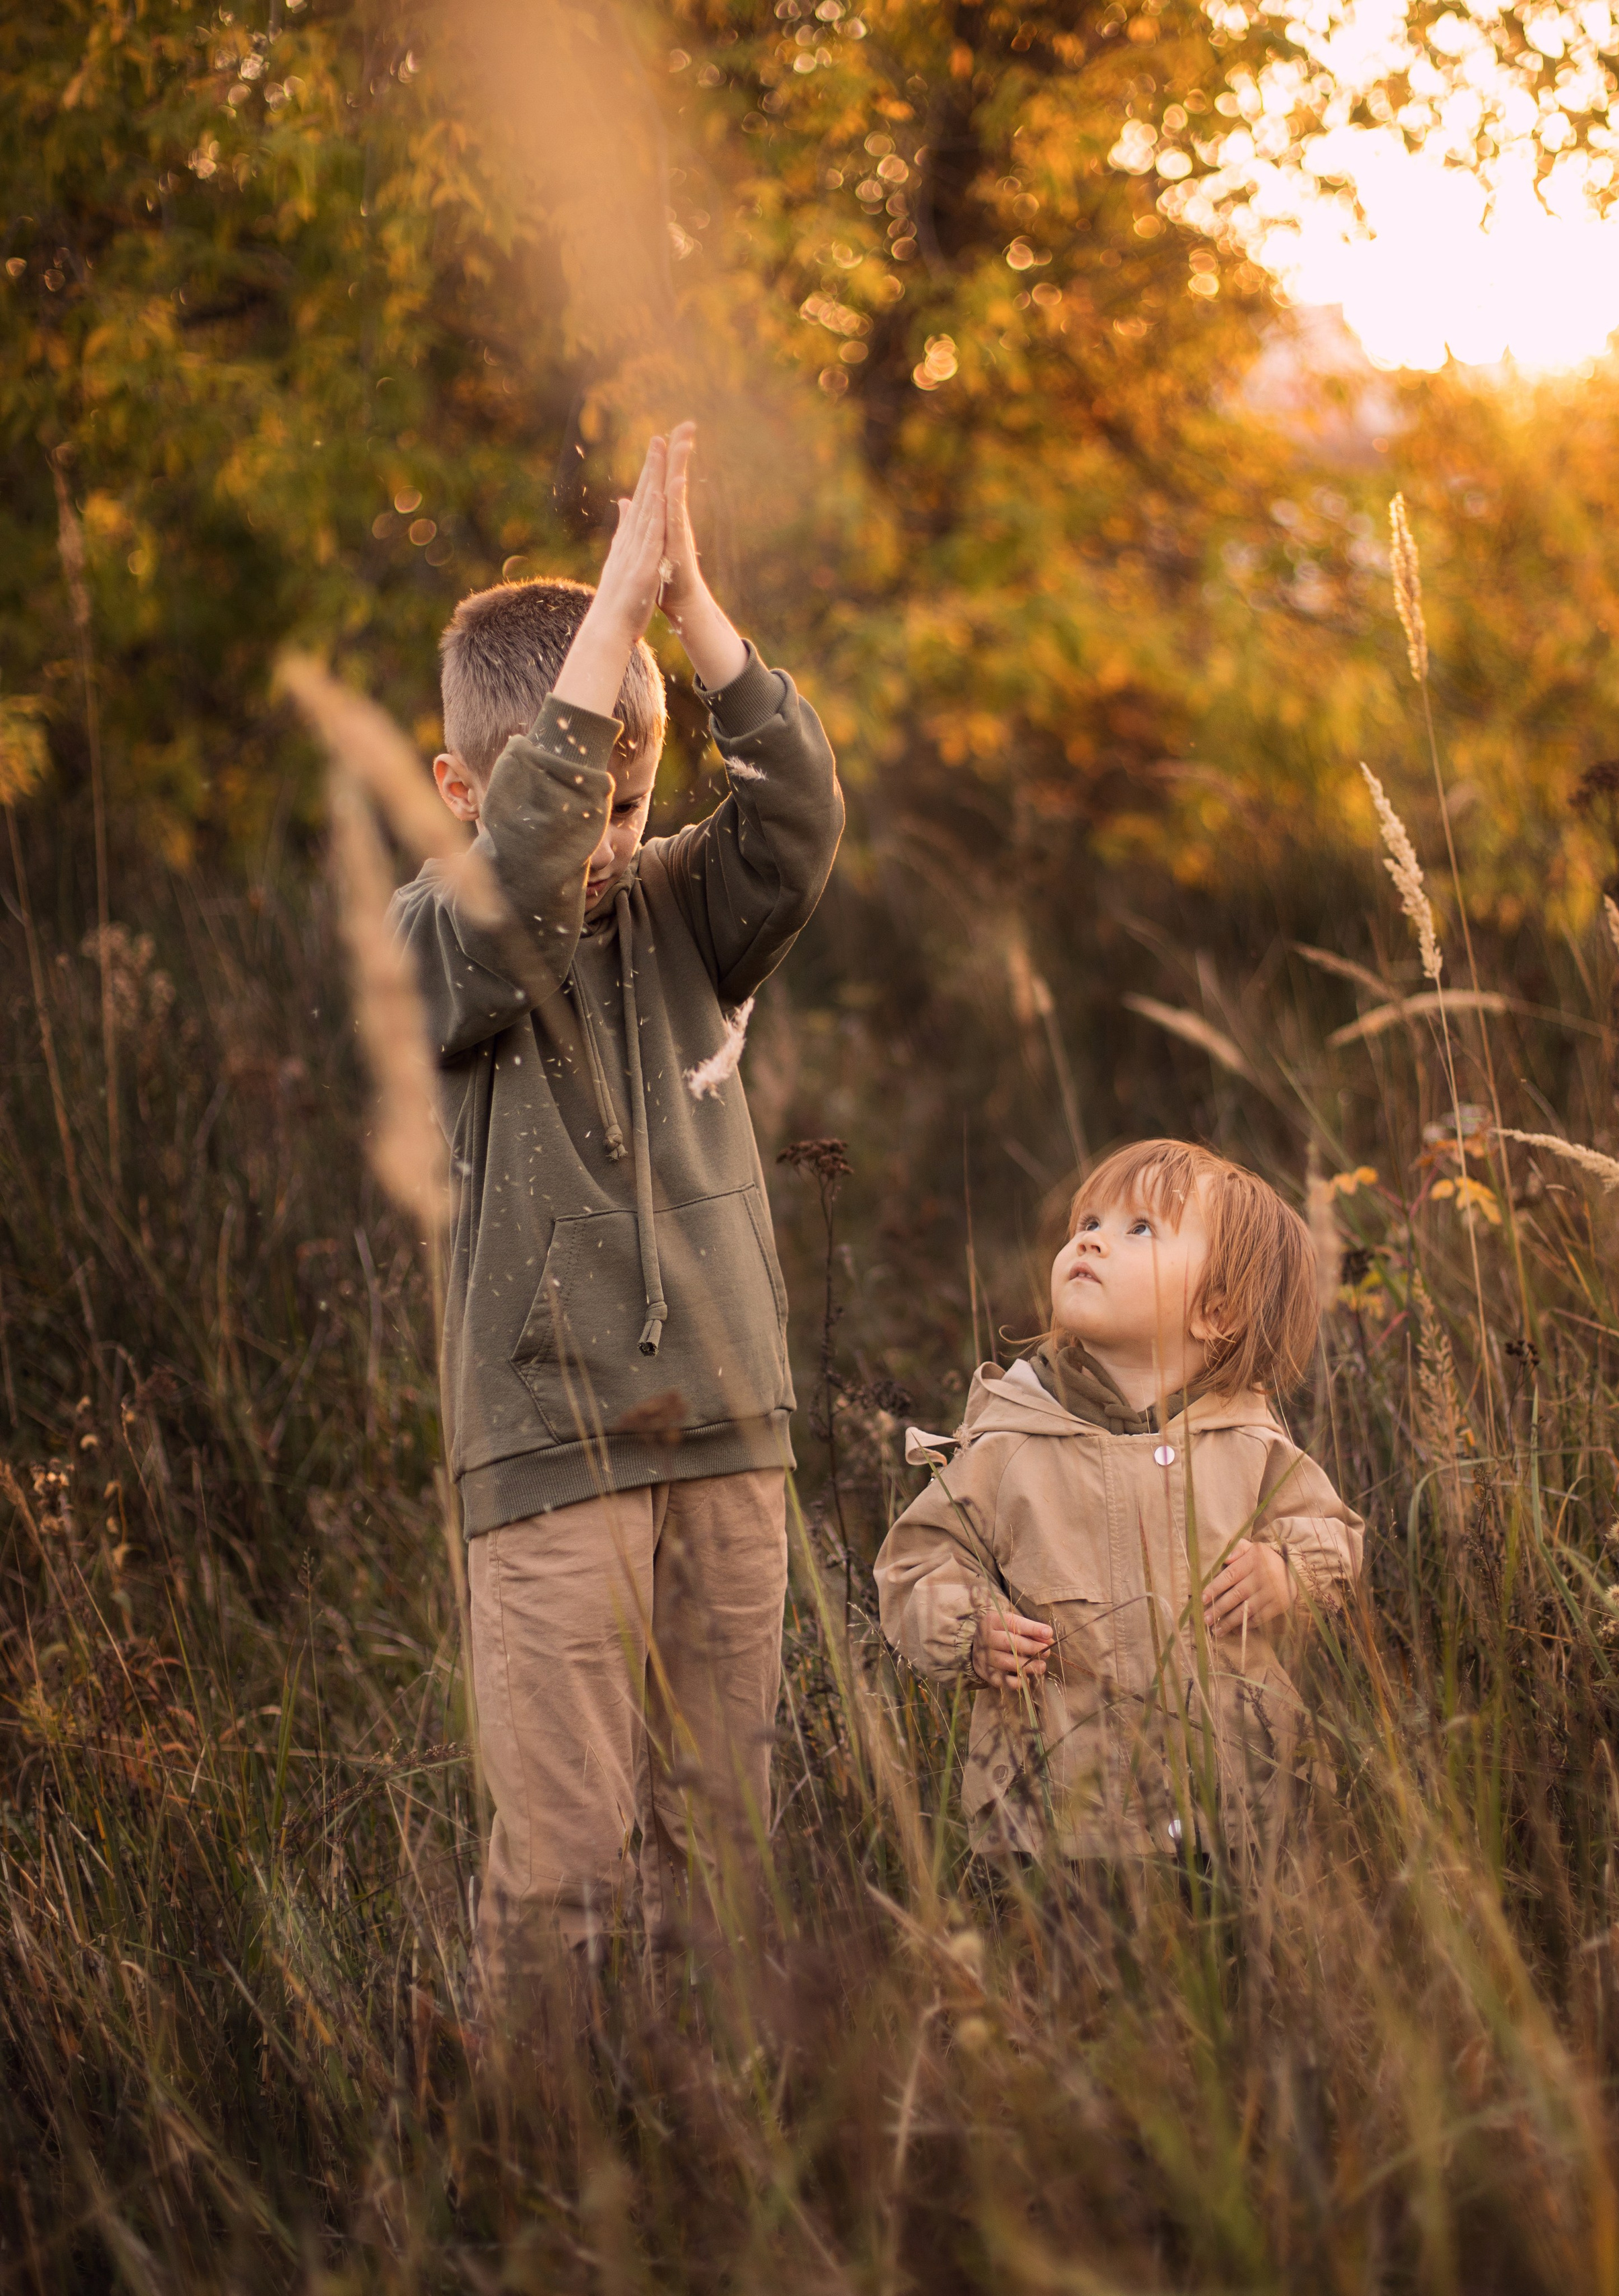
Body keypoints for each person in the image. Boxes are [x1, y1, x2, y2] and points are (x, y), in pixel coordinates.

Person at [392, 423, 843, 1975]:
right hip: (549, 1453)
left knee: (716, 1840)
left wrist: (687, 611)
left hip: (723, 1423)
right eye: (586, 812)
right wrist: (600, 619)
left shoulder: (678, 912)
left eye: (631, 815)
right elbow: (521, 875)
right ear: (461, 786)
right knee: (568, 1862)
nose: (609, 853)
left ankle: (707, 2149)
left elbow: (796, 823)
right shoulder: (439, 939)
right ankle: (537, 2166)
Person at [874, 1139, 1363, 1875]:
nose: (1091, 1239)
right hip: (1058, 1818)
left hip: (1239, 1802)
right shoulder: (1009, 1440)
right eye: (1088, 1222)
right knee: (1078, 1984)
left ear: (1215, 1311)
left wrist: (1286, 1571)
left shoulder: (1248, 1442)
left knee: (1242, 1975)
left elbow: (1331, 1535)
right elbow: (916, 1566)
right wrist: (969, 1630)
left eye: (1140, 1229)